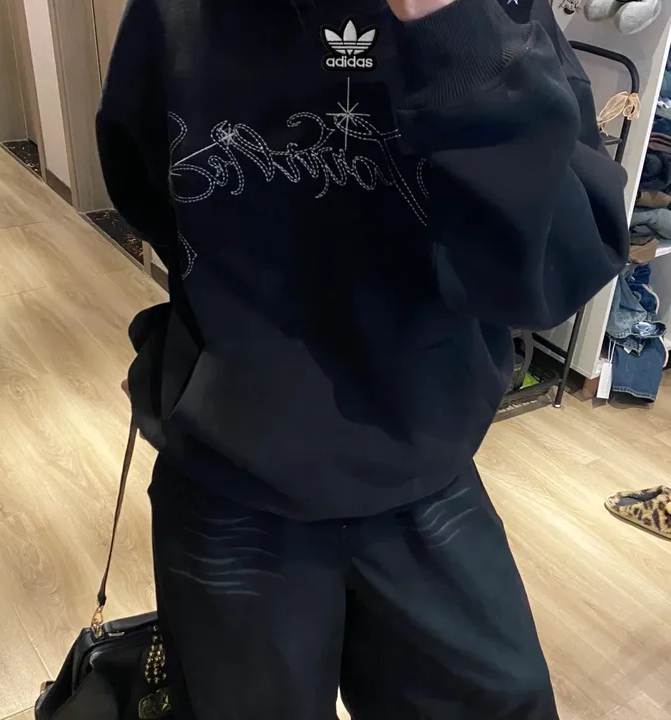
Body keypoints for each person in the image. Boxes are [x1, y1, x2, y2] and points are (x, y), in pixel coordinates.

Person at [97, 0, 628, 716]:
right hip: (232, 474)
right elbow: (143, 180)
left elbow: (562, 263)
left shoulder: (492, 11)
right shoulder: (178, 13)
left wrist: (456, 29)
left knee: (508, 699)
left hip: (424, 466)